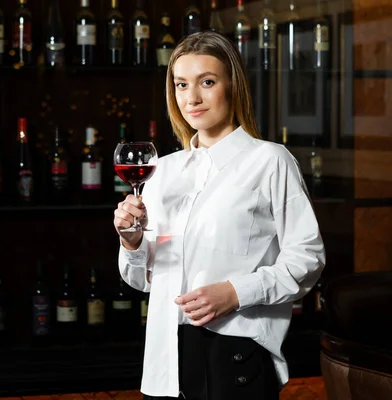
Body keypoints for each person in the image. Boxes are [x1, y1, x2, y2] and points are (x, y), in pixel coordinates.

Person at [114, 31, 325, 400]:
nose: (191, 98)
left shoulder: (270, 161)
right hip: (163, 359)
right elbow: (144, 280)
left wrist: (235, 292)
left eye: (206, 82)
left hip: (234, 356)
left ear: (233, 86)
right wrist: (131, 242)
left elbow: (308, 259)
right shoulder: (161, 171)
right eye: (181, 84)